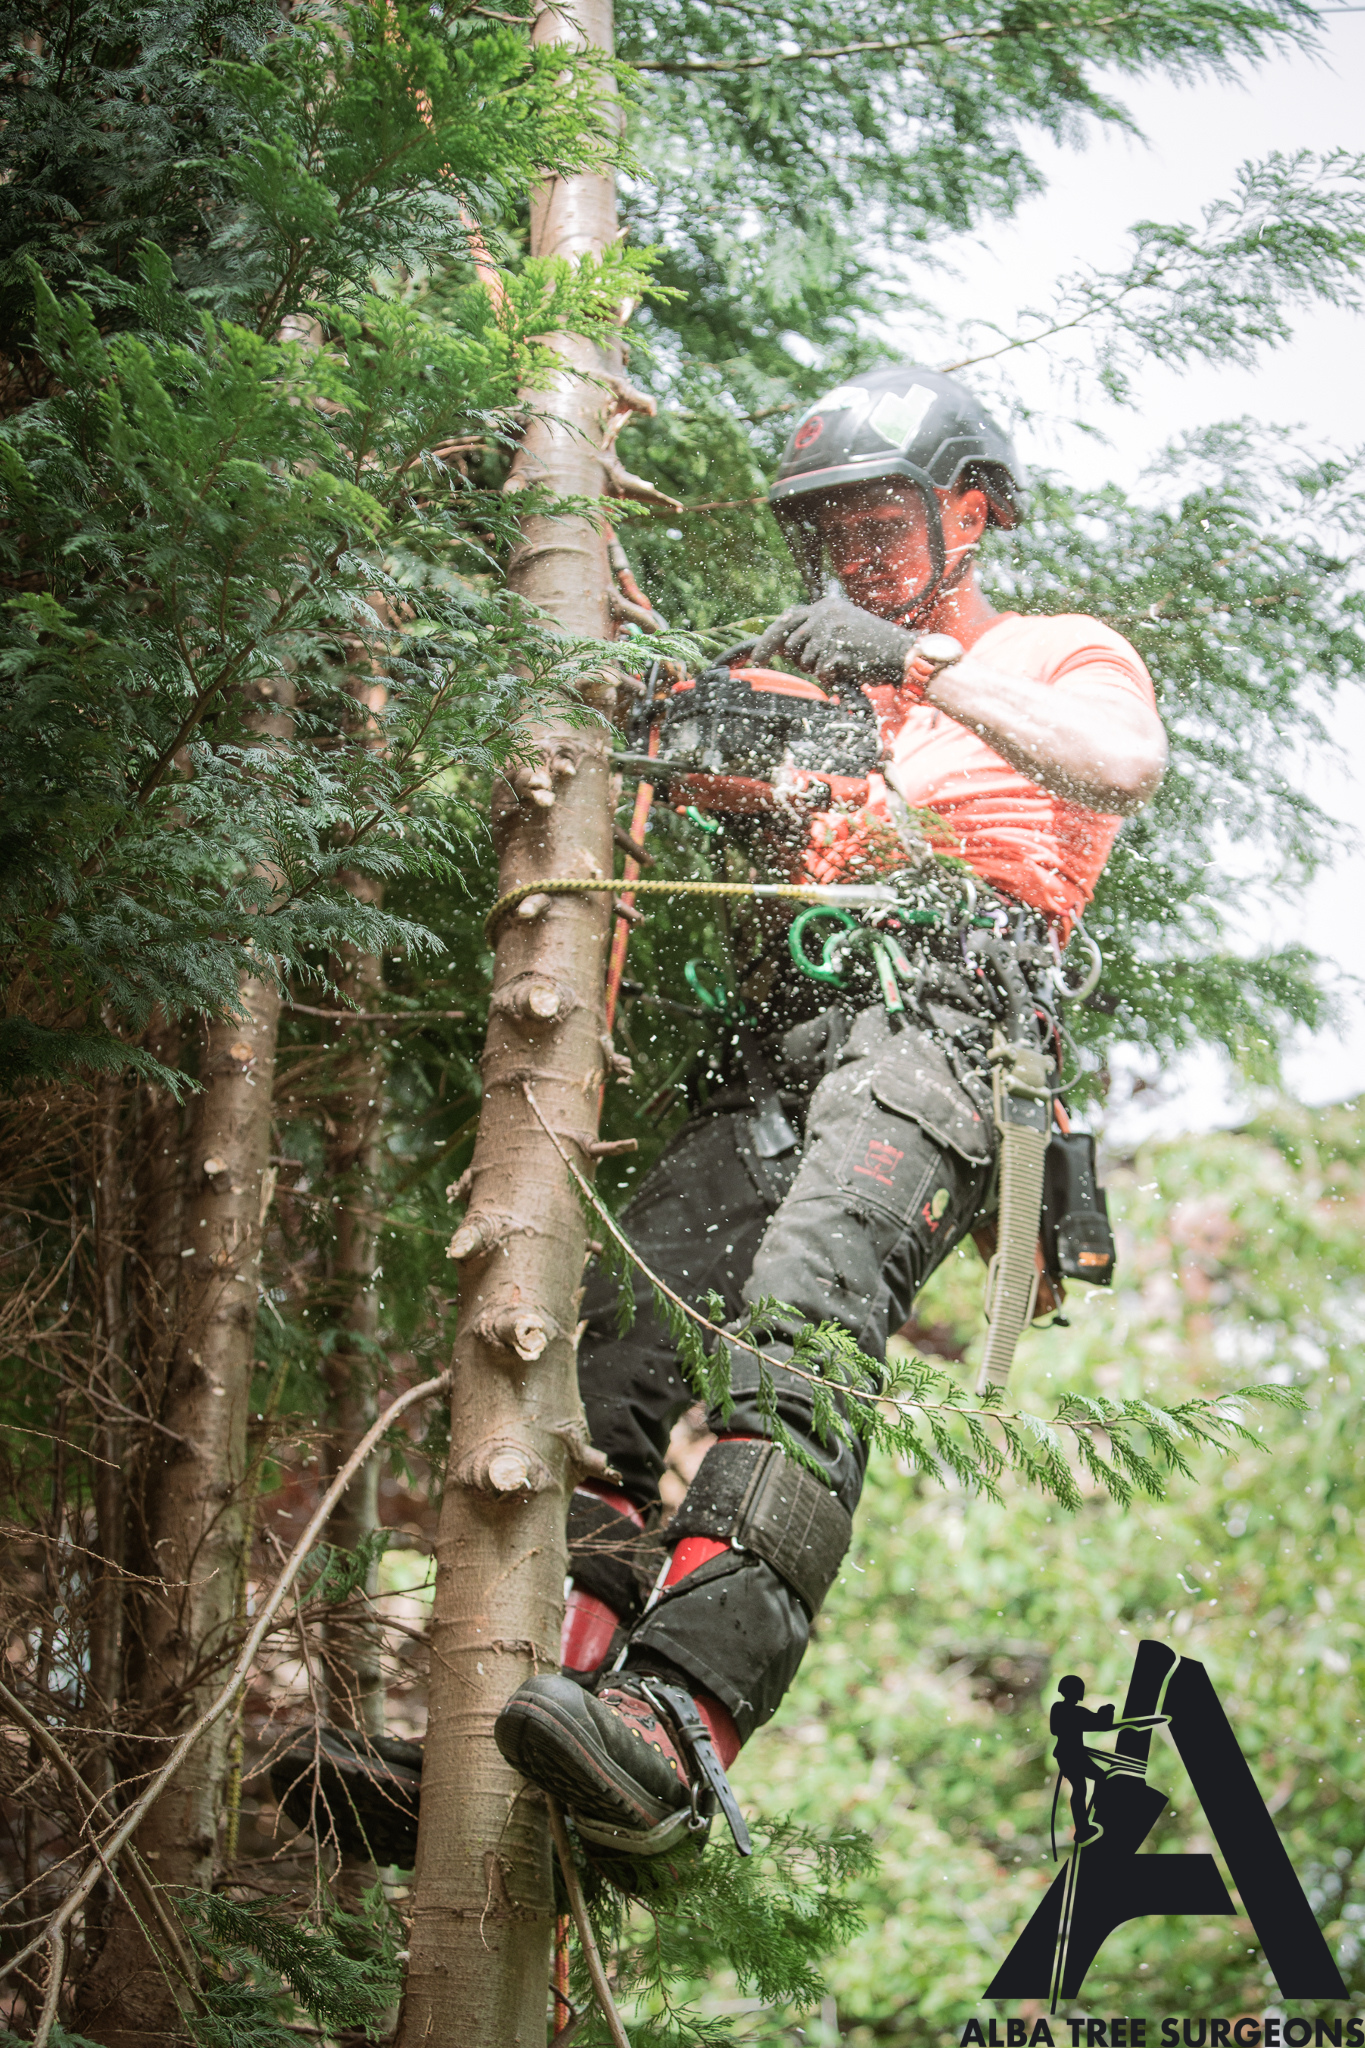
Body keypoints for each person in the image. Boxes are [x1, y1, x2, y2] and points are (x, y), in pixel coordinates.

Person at [494, 362, 1168, 1861]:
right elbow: (763, 780)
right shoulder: (841, 700)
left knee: (805, 1317)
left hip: (952, 1026)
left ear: (967, 514)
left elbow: (1123, 766)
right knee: (623, 1329)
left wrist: (914, 665)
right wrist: (714, 734)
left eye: (884, 526)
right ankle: (537, 1699)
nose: (856, 560)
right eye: (833, 536)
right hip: (789, 1035)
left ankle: (681, 1723)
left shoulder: (1054, 654)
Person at [1050, 1674, 1116, 1848]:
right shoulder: (1070, 1710)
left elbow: (1099, 1724)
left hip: (1071, 1755)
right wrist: (1107, 1712)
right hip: (1070, 1755)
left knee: (1092, 1781)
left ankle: (1089, 1820)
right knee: (1083, 1786)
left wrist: (1104, 1713)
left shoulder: (1062, 1709)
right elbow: (1100, 1724)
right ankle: (1085, 1825)